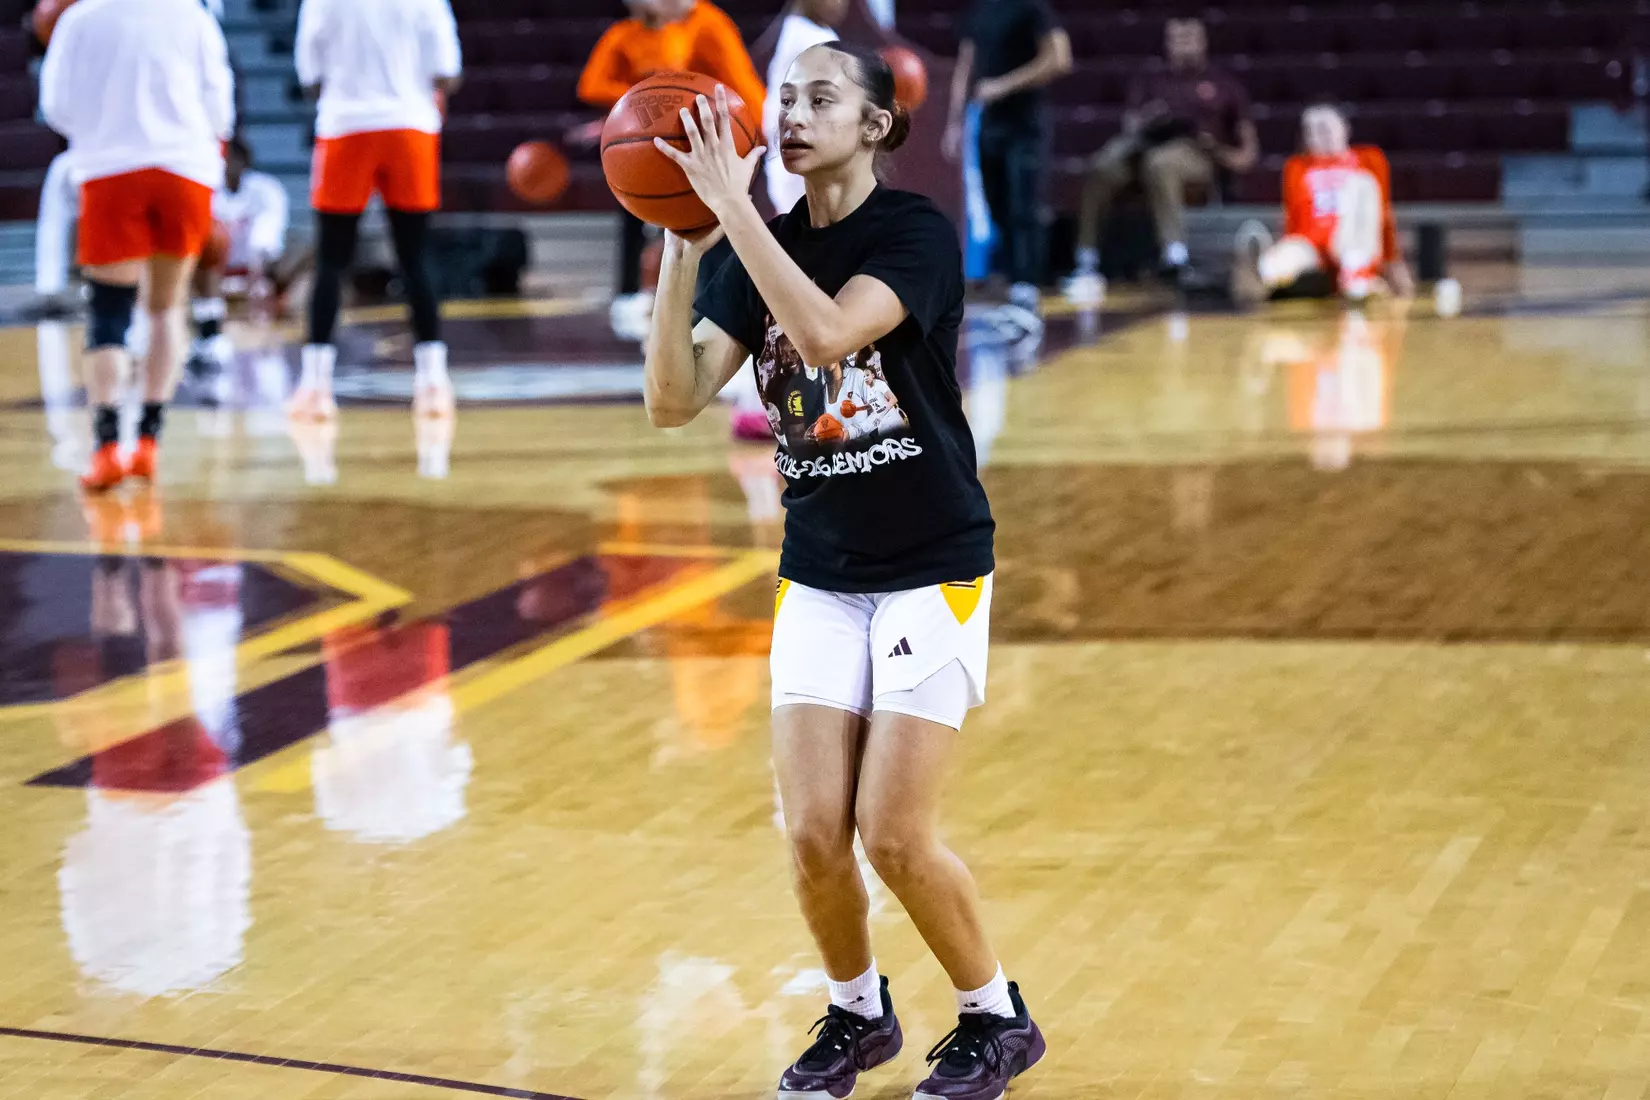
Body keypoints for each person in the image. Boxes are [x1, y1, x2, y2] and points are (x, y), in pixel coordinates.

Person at [645, 43, 1044, 1100]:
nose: (792, 113)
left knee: (895, 832)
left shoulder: (912, 234)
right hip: (820, 567)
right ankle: (858, 1010)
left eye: (823, 97)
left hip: (931, 561)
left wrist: (733, 220)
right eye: (784, 97)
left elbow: (823, 334)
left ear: (876, 126)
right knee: (815, 831)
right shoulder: (750, 241)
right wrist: (686, 246)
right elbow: (672, 398)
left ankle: (994, 1014)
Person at [39, 0, 235, 493]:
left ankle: (106, 447)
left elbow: (56, 106)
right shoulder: (193, 16)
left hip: (111, 169)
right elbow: (220, 107)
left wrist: (103, 126)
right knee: (165, 308)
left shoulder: (81, 18)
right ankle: (148, 441)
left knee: (109, 312)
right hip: (185, 170)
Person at [289, 0, 462, 422]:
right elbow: (448, 73)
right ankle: (432, 384)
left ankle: (315, 387)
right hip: (410, 126)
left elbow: (309, 77)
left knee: (331, 261)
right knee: (415, 259)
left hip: (346, 125)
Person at [576, 0, 766, 340]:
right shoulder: (630, 33)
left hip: (743, 131)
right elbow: (592, 85)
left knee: (724, 227)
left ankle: (729, 321)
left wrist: (642, 100)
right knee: (696, 223)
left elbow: (676, 75)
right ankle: (691, 311)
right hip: (710, 134)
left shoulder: (704, 23)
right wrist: (633, 101)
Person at [1064, 16, 1258, 299]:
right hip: (1145, 147)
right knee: (1103, 166)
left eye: (1189, 38)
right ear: (1167, 43)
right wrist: (1149, 121)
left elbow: (1248, 152)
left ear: (1203, 41)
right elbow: (1129, 127)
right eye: (1176, 39)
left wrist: (1217, 150)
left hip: (1198, 154)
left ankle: (1174, 257)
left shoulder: (1225, 85)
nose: (1183, 45)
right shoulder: (1150, 80)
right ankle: (1086, 260)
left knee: (1162, 163)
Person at [944, 0, 1071, 336]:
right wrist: (955, 121)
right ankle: (1013, 291)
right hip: (989, 125)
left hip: (1025, 125)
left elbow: (1059, 58)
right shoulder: (978, 10)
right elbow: (966, 64)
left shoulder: (1032, 8)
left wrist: (1004, 85)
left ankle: (1026, 294)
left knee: (1022, 207)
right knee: (997, 206)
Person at [1231, 102, 1414, 304]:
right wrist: (1290, 246)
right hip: (1312, 243)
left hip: (1350, 239)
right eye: (1313, 131)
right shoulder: (1296, 166)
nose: (1322, 135)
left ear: (1346, 129)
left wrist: (1394, 262)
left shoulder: (1370, 158)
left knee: (1362, 184)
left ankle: (1357, 274)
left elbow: (1383, 213)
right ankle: (1265, 270)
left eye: (1327, 127)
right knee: (1285, 259)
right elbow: (1292, 217)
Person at [187, 136, 292, 375]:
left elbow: (267, 240)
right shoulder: (207, 189)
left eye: (230, 156)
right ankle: (207, 323)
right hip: (215, 273)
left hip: (261, 269)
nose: (225, 162)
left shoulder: (266, 189)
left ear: (244, 160)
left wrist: (258, 279)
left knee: (301, 264)